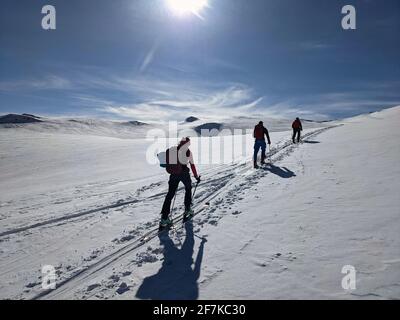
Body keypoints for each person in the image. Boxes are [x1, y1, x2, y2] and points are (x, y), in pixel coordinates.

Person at [160, 137, 201, 228]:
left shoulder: (174, 150)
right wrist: (196, 177)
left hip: (173, 175)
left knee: (170, 195)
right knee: (188, 189)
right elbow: (192, 165)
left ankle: (164, 218)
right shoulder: (188, 152)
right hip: (184, 174)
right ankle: (187, 210)